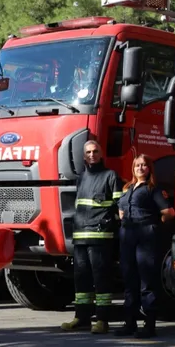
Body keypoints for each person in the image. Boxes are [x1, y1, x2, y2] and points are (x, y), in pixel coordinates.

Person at [61, 140, 121, 334]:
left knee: (101, 277)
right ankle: (82, 317)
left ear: (101, 154)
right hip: (80, 237)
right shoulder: (82, 178)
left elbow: (120, 207)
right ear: (84, 156)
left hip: (101, 237)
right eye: (88, 152)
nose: (92, 155)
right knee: (81, 278)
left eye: (95, 151)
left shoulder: (110, 176)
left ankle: (102, 319)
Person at [115, 153, 174, 338]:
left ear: (149, 169)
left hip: (145, 235)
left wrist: (154, 226)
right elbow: (121, 208)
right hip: (127, 236)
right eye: (137, 165)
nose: (140, 168)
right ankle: (130, 323)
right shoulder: (127, 188)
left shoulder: (153, 190)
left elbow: (168, 212)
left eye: (143, 165)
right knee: (129, 280)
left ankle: (149, 325)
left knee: (146, 281)